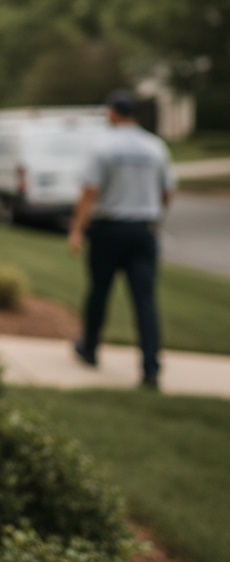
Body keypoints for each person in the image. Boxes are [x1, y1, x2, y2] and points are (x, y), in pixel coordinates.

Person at [67, 90, 177, 388]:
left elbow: (90, 193)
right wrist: (155, 217)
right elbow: (167, 192)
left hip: (109, 230)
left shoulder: (103, 146)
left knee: (99, 291)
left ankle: (89, 348)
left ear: (113, 113)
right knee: (145, 299)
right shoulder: (155, 147)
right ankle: (151, 367)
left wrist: (77, 230)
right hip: (143, 230)